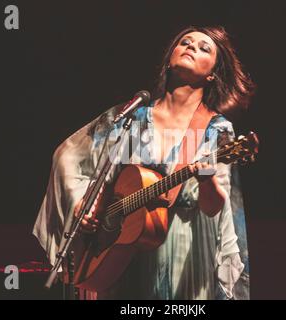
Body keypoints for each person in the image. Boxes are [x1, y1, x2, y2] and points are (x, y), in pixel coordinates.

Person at [33, 26, 255, 300]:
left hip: (184, 256)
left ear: (212, 74)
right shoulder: (134, 118)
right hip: (121, 255)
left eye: (203, 48)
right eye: (185, 42)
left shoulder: (213, 128)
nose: (191, 47)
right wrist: (85, 201)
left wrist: (206, 176)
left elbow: (213, 209)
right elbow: (71, 158)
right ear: (169, 57)